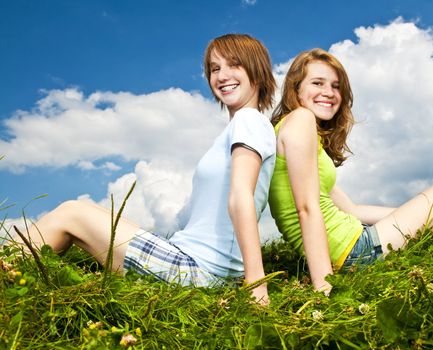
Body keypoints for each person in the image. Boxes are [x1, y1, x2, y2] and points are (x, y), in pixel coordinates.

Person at [11, 34, 277, 304]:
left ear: (256, 71)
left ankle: (6, 273)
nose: (222, 76)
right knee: (90, 214)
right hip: (189, 258)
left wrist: (257, 284)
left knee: (72, 213)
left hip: (197, 270)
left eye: (234, 65)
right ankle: (10, 276)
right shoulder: (236, 130)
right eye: (215, 68)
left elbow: (241, 196)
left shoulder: (249, 120)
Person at [268, 48, 433, 295]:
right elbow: (306, 209)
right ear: (295, 89)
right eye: (317, 83)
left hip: (356, 241)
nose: (329, 93)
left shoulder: (294, 132)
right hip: (354, 251)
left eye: (336, 86)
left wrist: (430, 216)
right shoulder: (301, 120)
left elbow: (353, 210)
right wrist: (324, 285)